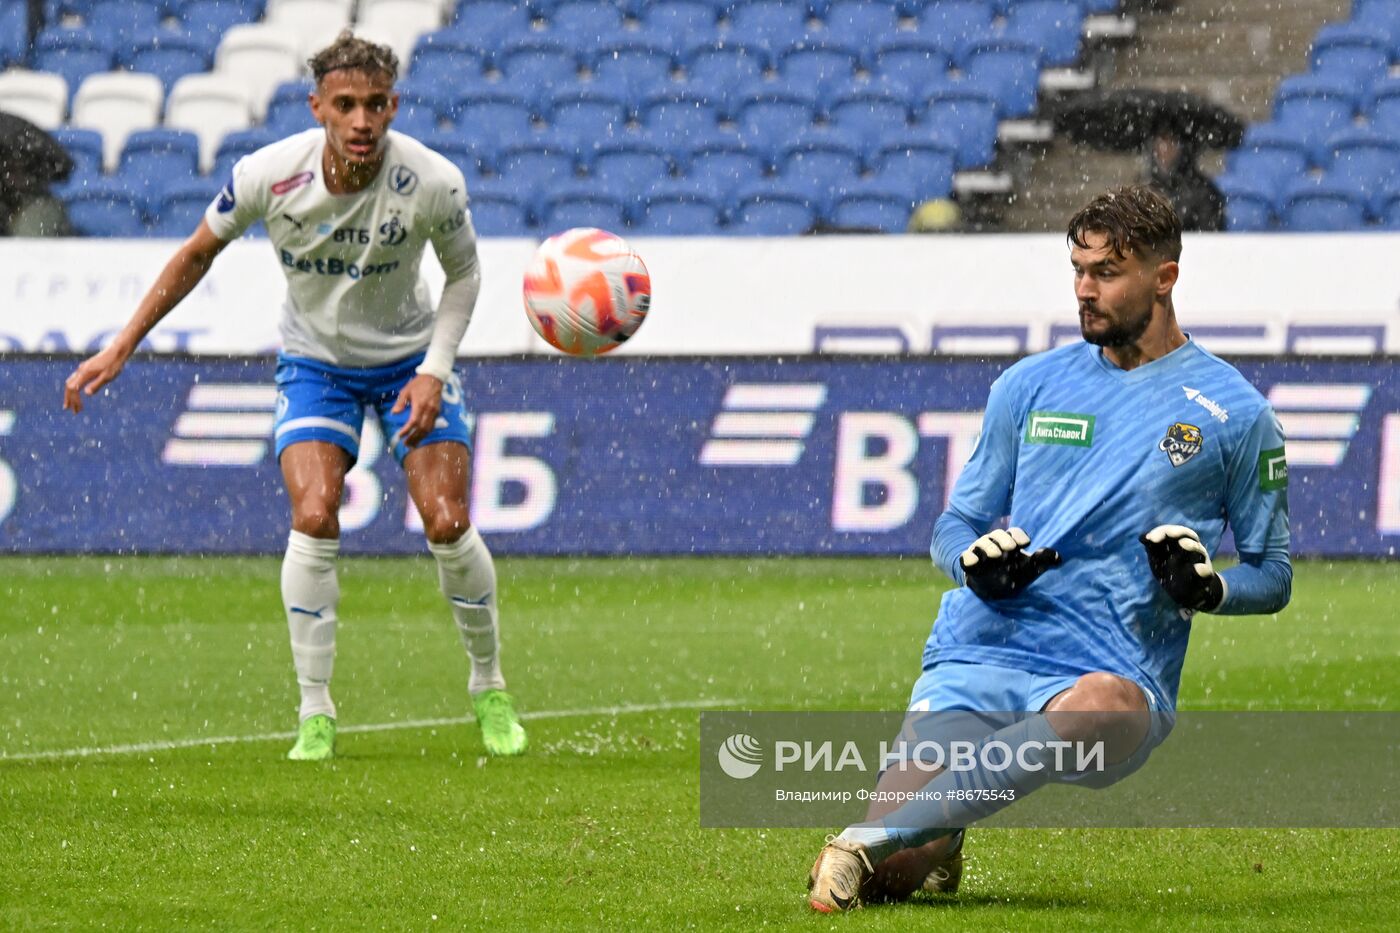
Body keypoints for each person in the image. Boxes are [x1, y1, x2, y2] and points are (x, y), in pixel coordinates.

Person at [806, 185, 1291, 912]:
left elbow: (1273, 573)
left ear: (1165, 277)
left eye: (1105, 273)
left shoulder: (1236, 414)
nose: (1085, 290)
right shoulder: (1029, 385)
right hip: (981, 649)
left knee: (1103, 708)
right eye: (1077, 269)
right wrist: (974, 563)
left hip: (1111, 670)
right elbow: (955, 522)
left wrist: (1209, 589)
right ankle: (925, 838)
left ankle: (861, 837)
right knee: (889, 887)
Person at [61, 31, 527, 761]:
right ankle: (315, 710)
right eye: (345, 105)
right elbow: (195, 253)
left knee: (446, 519)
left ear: (394, 106)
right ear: (317, 108)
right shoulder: (266, 175)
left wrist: (434, 367)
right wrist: (123, 341)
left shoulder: (432, 181)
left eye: (376, 105)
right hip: (316, 362)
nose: (362, 121)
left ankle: (489, 685)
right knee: (314, 512)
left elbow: (465, 275)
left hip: (408, 358)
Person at [1146, 130, 1225, 232]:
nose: (1164, 150)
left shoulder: (1203, 191)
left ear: (1181, 147)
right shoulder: (1147, 187)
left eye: (1171, 143)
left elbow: (1209, 237)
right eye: (1159, 142)